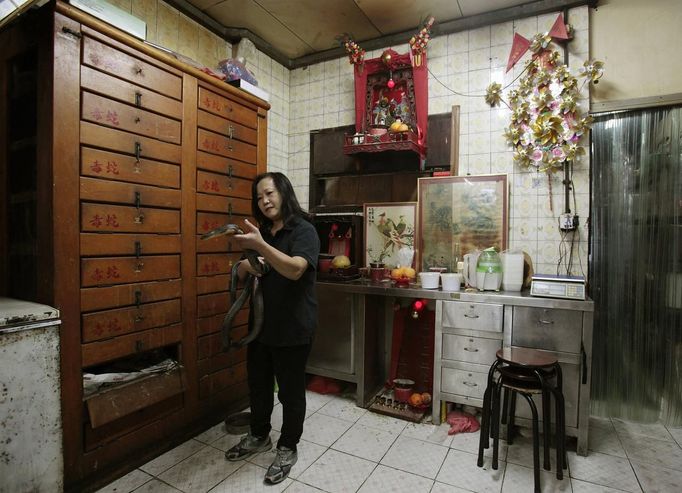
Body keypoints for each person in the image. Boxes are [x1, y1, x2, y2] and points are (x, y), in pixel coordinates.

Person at [225, 172, 320, 485]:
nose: (264, 201)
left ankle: (287, 446)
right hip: (261, 328)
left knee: (291, 394)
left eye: (269, 193)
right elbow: (242, 272)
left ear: (284, 192)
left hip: (293, 328)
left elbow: (295, 270)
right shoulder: (262, 233)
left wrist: (260, 248)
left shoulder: (304, 230)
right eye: (259, 197)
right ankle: (258, 435)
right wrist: (244, 265)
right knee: (259, 386)